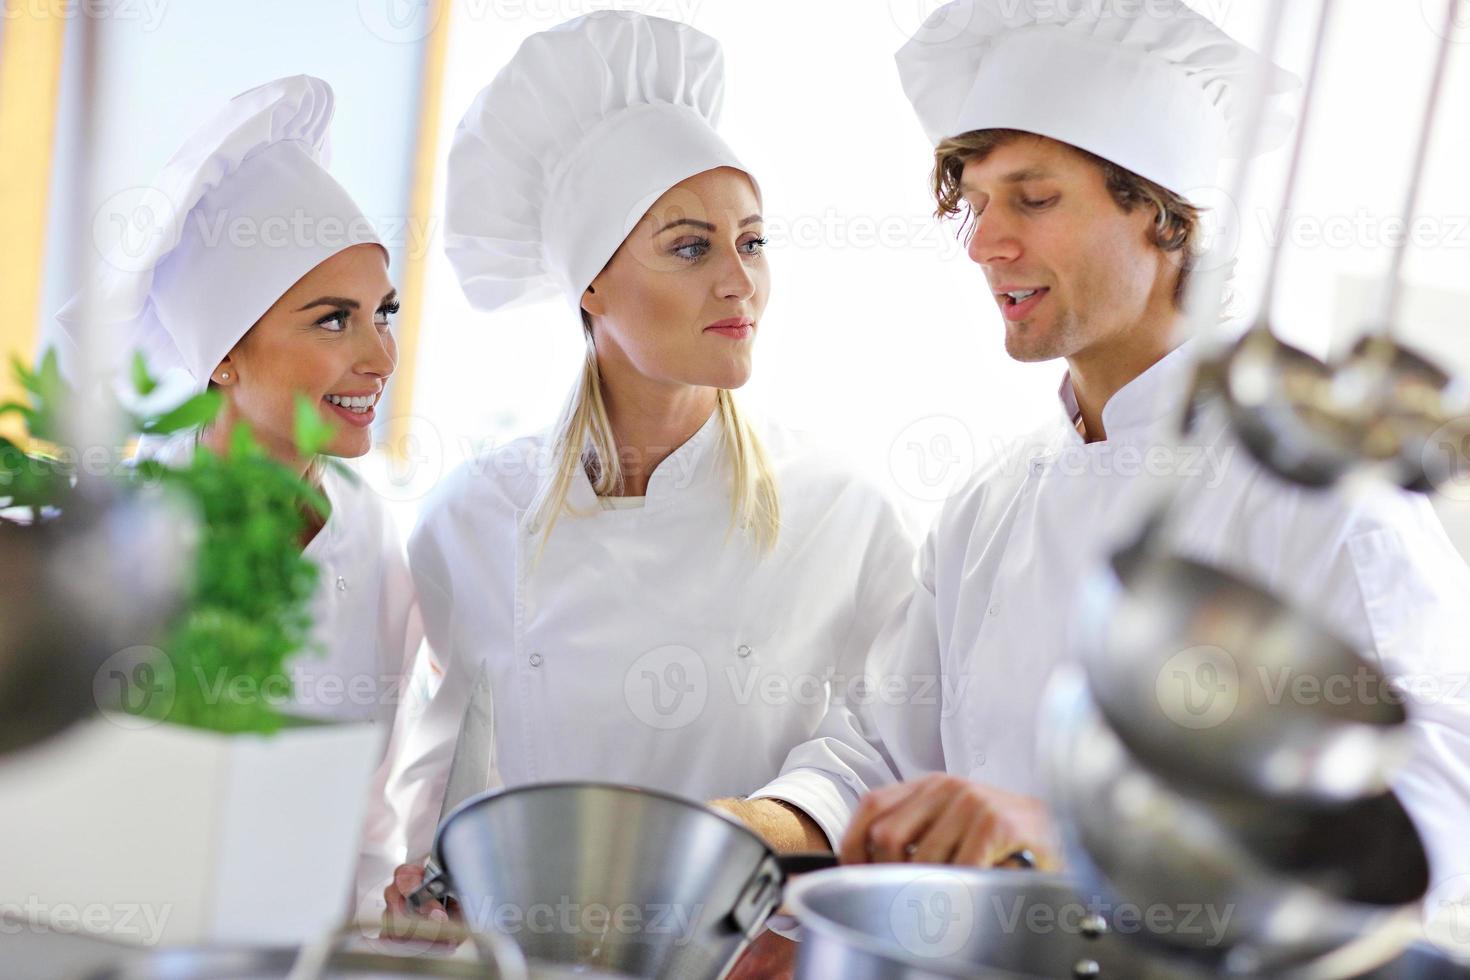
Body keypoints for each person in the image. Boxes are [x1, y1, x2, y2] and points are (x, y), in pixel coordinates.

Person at [734, 0, 1470, 904]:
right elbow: (879, 751)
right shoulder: (989, 504)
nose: (985, 244)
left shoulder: (1312, 484)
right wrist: (748, 835)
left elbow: (1435, 795)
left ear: (1164, 219)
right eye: (974, 205)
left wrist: (1079, 844)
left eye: (1034, 199)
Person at [377, 11, 916, 942]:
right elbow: (446, 771)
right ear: (591, 283)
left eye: (751, 242)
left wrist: (766, 850)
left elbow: (890, 749)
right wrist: (437, 885)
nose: (739, 283)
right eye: (691, 246)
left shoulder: (841, 511)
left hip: (751, 958)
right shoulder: (472, 515)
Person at [56, 75, 425, 911]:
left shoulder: (373, 530)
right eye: (333, 319)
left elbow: (369, 805)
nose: (380, 356)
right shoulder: (115, 526)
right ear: (225, 353)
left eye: (385, 312)